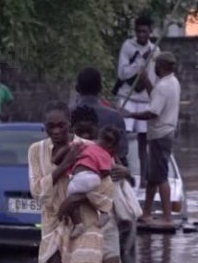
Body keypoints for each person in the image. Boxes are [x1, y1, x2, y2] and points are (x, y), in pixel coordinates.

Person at [28, 101, 114, 263]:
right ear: (44, 127)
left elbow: (106, 188)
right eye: (51, 126)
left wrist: (77, 198)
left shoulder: (90, 147)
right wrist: (64, 165)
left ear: (70, 125)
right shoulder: (36, 151)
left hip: (85, 223)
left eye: (61, 125)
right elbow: (38, 192)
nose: (56, 131)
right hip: (53, 224)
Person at [68, 105, 130, 263]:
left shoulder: (107, 152)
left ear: (97, 129)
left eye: (90, 131)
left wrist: (125, 172)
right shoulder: (72, 152)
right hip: (81, 226)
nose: (86, 135)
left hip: (107, 225)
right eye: (80, 131)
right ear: (73, 130)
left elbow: (123, 180)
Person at [122, 52, 180, 227]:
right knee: (152, 176)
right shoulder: (171, 82)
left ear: (161, 66)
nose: (153, 67)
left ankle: (167, 217)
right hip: (160, 134)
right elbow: (155, 96)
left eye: (156, 65)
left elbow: (152, 112)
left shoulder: (165, 86)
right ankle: (146, 213)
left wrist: (129, 114)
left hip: (161, 135)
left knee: (161, 177)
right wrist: (146, 79)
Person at [114, 15, 160, 188]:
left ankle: (143, 180)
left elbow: (155, 78)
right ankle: (122, 174)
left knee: (143, 141)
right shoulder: (128, 47)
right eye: (139, 31)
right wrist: (140, 61)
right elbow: (122, 74)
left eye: (145, 31)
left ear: (150, 32)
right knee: (121, 137)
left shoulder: (156, 50)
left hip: (145, 100)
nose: (141, 34)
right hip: (127, 97)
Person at [52, 123, 120, 238]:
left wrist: (56, 158)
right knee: (77, 199)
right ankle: (102, 213)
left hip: (84, 177)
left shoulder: (88, 147)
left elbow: (67, 148)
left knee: (69, 199)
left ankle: (72, 222)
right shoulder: (103, 153)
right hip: (91, 178)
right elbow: (106, 171)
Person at [74, 67, 129, 167]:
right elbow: (122, 151)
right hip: (107, 172)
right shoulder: (115, 117)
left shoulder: (65, 115)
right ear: (100, 88)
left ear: (77, 88)